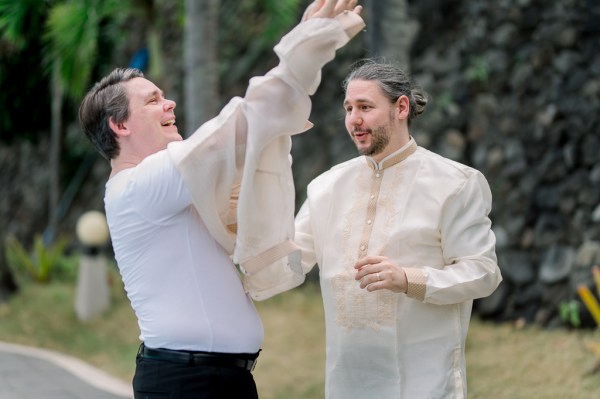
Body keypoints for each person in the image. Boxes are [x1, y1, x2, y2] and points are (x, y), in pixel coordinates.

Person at [78, 1, 364, 398]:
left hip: (211, 379)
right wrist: (308, 41)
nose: (169, 103)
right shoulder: (141, 185)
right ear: (120, 125)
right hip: (188, 382)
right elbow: (248, 120)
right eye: (153, 100)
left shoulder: (164, 188)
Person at [293, 60, 503, 398]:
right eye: (348, 108)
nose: (354, 120)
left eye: (365, 107)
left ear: (401, 107)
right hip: (347, 382)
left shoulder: (455, 183)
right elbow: (287, 261)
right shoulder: (326, 187)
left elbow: (482, 272)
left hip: (425, 382)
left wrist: (408, 279)